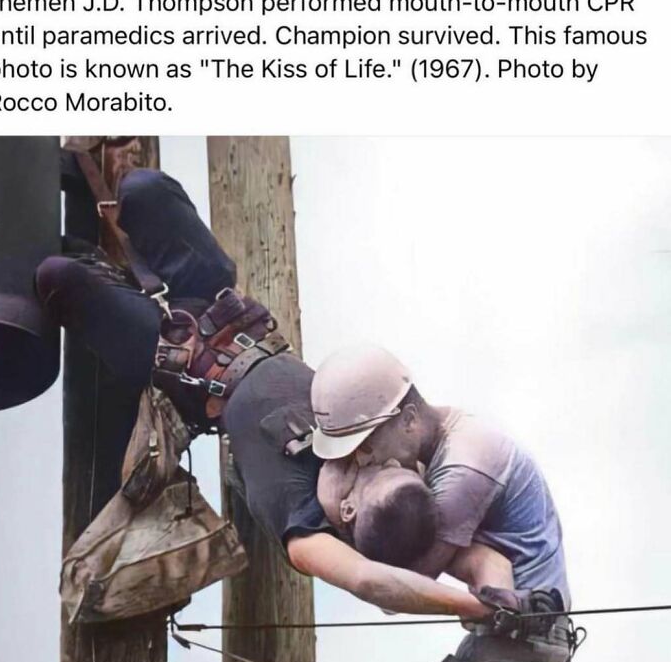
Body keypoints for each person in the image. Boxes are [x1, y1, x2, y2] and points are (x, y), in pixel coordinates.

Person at [35, 166, 495, 622]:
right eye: (393, 466)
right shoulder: (386, 475)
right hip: (223, 310)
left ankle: (83, 258)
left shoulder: (302, 514)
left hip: (178, 363)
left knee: (58, 274)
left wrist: (468, 608)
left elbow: (371, 583)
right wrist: (501, 596)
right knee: (142, 189)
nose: (375, 462)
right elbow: (475, 555)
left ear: (350, 510)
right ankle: (98, 217)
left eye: (375, 477)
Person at [307, 344, 576, 662]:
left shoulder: (464, 470)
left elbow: (397, 589)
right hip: (496, 645)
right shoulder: (441, 441)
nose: (363, 460)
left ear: (409, 419)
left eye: (367, 444)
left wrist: (336, 505)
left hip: (517, 652)